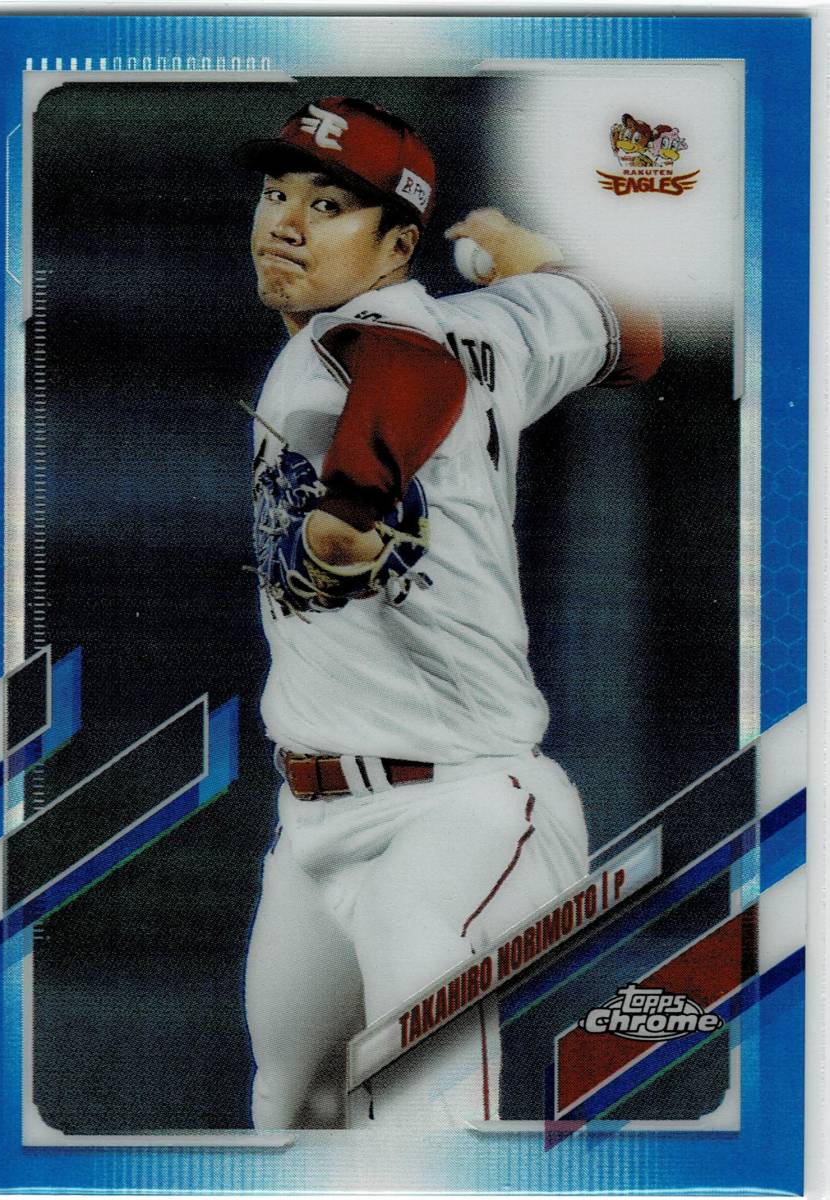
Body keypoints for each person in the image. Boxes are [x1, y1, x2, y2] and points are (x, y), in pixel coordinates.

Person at [237, 96, 662, 1130]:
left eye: (328, 205)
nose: (285, 221)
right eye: (278, 192)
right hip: (317, 818)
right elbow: (637, 337)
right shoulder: (492, 329)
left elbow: (405, 367)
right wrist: (539, 262)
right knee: (295, 1109)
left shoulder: (360, 338)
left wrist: (353, 504)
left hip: (468, 807)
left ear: (396, 247)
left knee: (418, 1085)